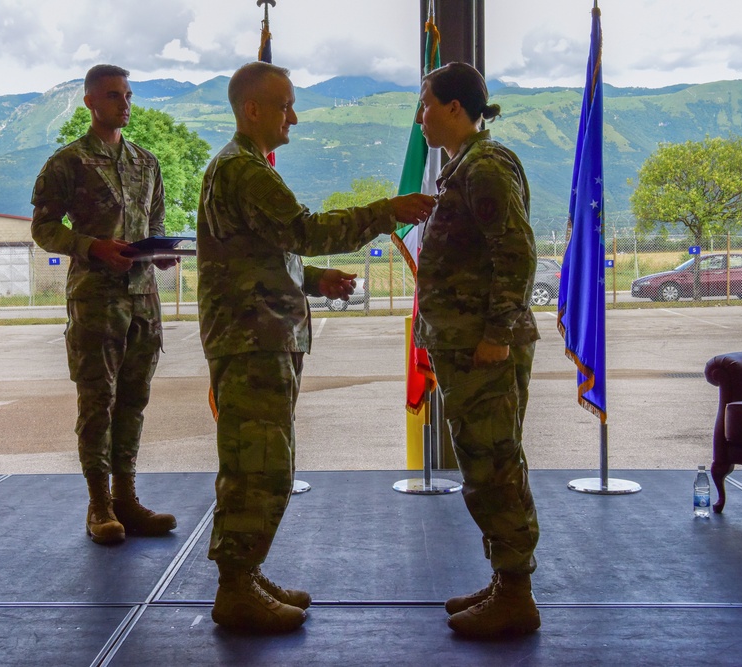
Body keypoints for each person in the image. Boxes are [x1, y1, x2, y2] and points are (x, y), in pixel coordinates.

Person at [197, 61, 435, 633]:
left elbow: (262, 252)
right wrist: (384, 212)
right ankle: (235, 587)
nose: (294, 118)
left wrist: (311, 279)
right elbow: (301, 230)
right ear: (252, 109)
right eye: (285, 106)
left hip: (260, 336)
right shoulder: (245, 171)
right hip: (253, 343)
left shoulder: (242, 168)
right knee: (258, 468)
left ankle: (246, 573)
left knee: (261, 464)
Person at [413, 62, 542, 638]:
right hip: (463, 344)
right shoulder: (465, 166)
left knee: (494, 466)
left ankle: (516, 593)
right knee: (483, 462)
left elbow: (515, 253)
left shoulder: (485, 167)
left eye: (426, 105)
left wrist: (493, 334)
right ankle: (504, 579)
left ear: (455, 109)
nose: (421, 117)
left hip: (482, 346)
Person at [31, 64, 178, 546]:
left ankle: (126, 498)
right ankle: (99, 505)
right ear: (91, 102)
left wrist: (160, 255)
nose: (125, 103)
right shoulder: (67, 163)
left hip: (143, 301)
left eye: (129, 95)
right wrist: (93, 246)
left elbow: (155, 221)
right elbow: (44, 229)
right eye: (115, 95)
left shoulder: (146, 162)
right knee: (98, 402)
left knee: (134, 401)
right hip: (96, 300)